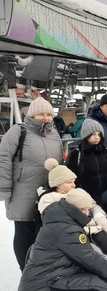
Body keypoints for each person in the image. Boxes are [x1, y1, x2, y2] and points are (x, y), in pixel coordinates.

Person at [39, 158, 107, 291]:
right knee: (96, 259)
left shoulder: (78, 192)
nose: (73, 185)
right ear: (57, 184)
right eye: (69, 182)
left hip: (94, 228)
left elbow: (93, 204)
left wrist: (99, 216)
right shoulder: (47, 199)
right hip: (75, 235)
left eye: (74, 181)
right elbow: (54, 219)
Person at [0, 97, 63, 270]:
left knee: (44, 232)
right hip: (23, 191)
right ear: (32, 115)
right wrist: (4, 187)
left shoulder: (54, 134)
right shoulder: (18, 131)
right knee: (24, 232)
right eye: (42, 114)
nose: (46, 118)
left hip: (48, 192)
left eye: (49, 114)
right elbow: (3, 158)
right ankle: (25, 270)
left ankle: (42, 270)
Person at [66, 119, 107, 209]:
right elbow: (71, 177)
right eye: (93, 134)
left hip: (106, 197)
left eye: (99, 134)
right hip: (85, 198)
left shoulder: (106, 152)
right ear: (86, 136)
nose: (97, 137)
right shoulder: (76, 154)